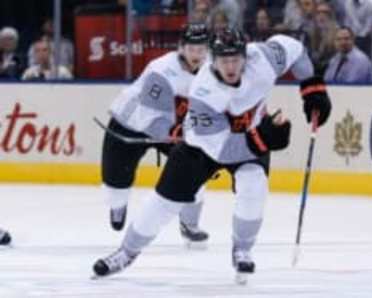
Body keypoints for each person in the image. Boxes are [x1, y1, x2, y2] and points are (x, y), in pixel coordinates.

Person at [92, 28, 332, 283]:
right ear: (213, 60)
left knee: (254, 184)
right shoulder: (203, 92)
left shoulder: (263, 58)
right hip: (203, 147)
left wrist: (312, 88)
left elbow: (295, 49)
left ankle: (242, 249)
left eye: (235, 59)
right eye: (223, 61)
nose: (230, 67)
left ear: (245, 56)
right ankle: (126, 252)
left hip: (250, 135)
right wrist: (264, 138)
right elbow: (224, 151)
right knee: (164, 202)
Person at [101, 23, 211, 246]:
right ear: (182, 48)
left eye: (201, 49)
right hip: (130, 123)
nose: (197, 55)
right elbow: (153, 118)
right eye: (192, 49)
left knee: (196, 167)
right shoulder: (161, 70)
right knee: (115, 182)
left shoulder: (212, 70)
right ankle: (117, 204)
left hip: (173, 126)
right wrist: (178, 132)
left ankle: (190, 224)